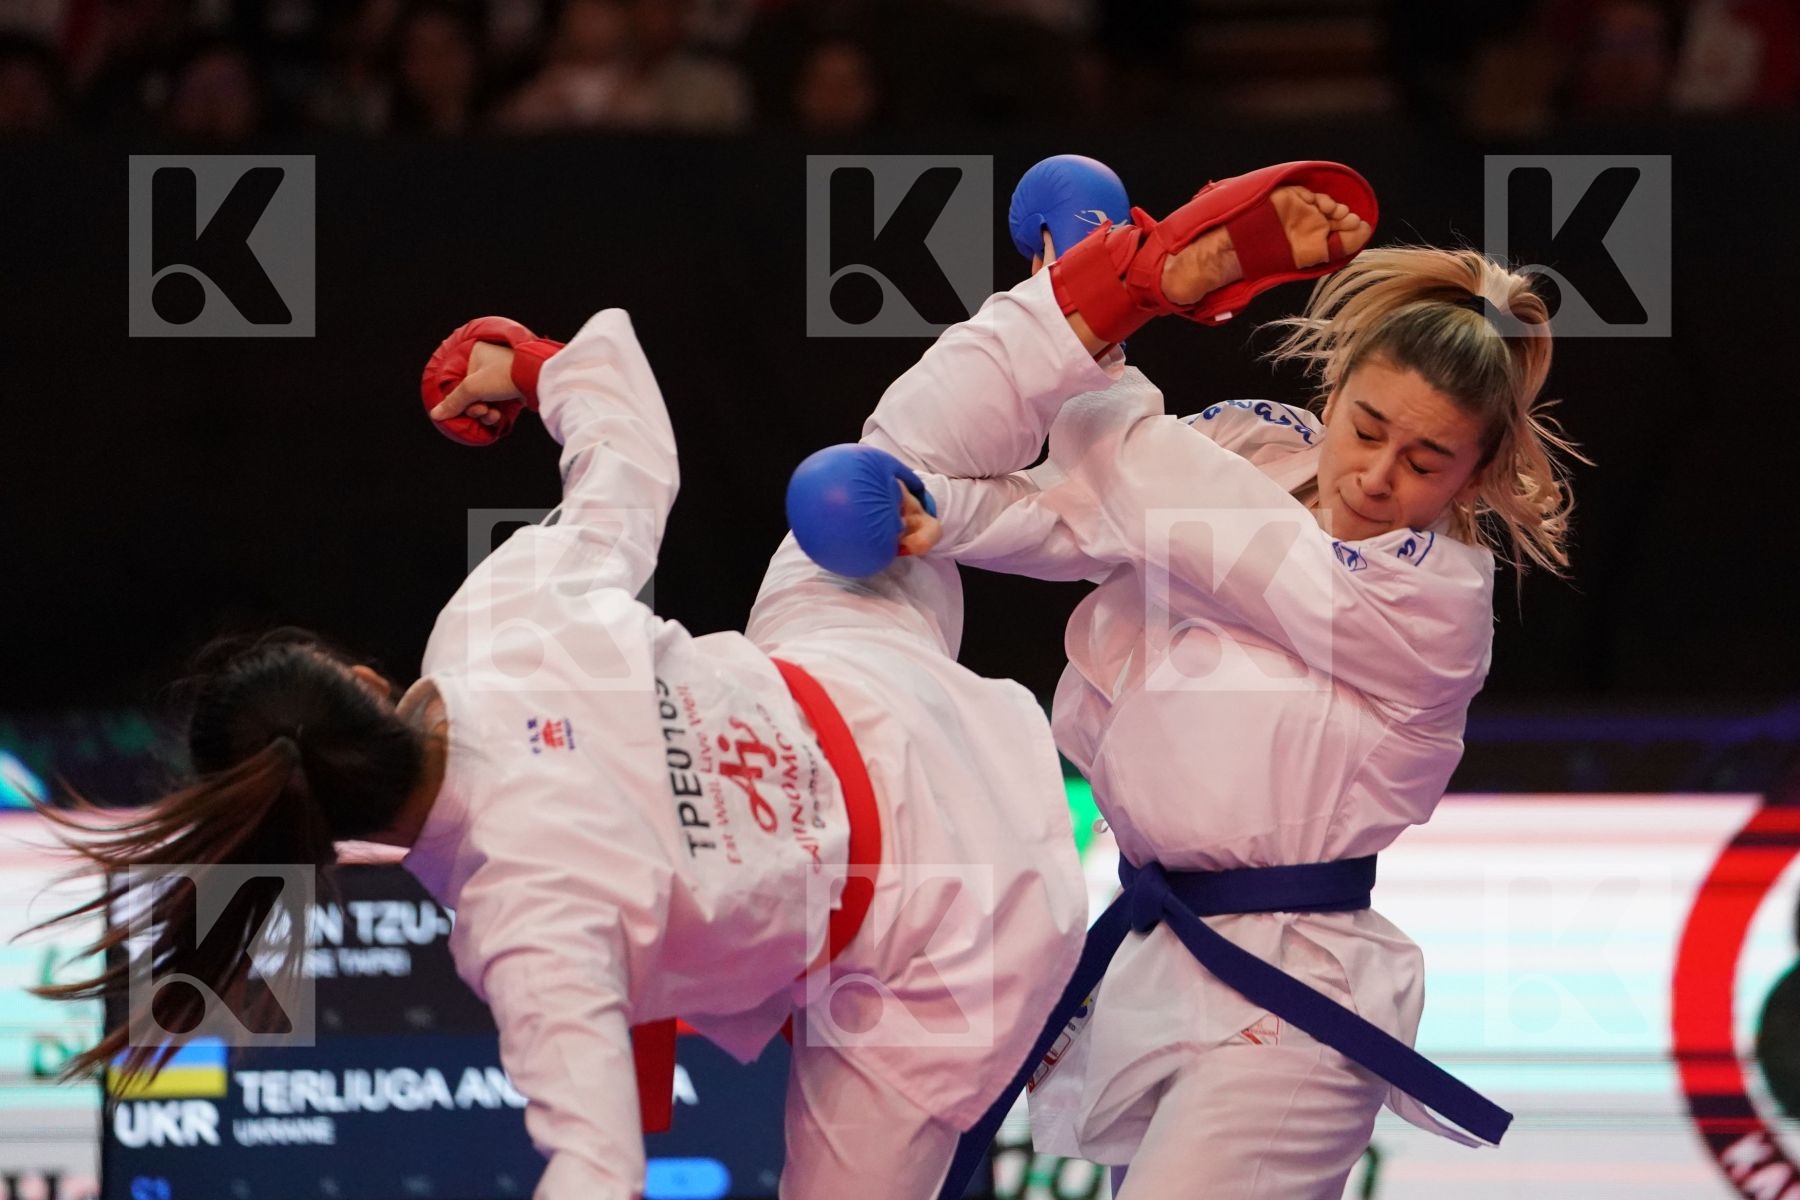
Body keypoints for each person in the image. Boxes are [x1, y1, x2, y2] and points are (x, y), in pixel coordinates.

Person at [29, 306, 1087, 1199]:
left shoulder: (520, 925)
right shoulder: (495, 624)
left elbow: (594, 1168)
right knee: (881, 463)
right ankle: (1094, 291)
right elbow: (631, 455)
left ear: (319, 840)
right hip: (890, 694)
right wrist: (527, 364)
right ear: (363, 684)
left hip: (962, 922)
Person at [798, 159, 1577, 1199]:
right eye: (1367, 428)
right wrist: (937, 511)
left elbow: (1146, 481)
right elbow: (1092, 512)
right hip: (1167, 956)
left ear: (1474, 474)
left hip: (1297, 991)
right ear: (1333, 393)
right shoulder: (1256, 453)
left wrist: (1111, 293)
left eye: (1426, 460)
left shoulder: (1433, 603)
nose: (1379, 473)